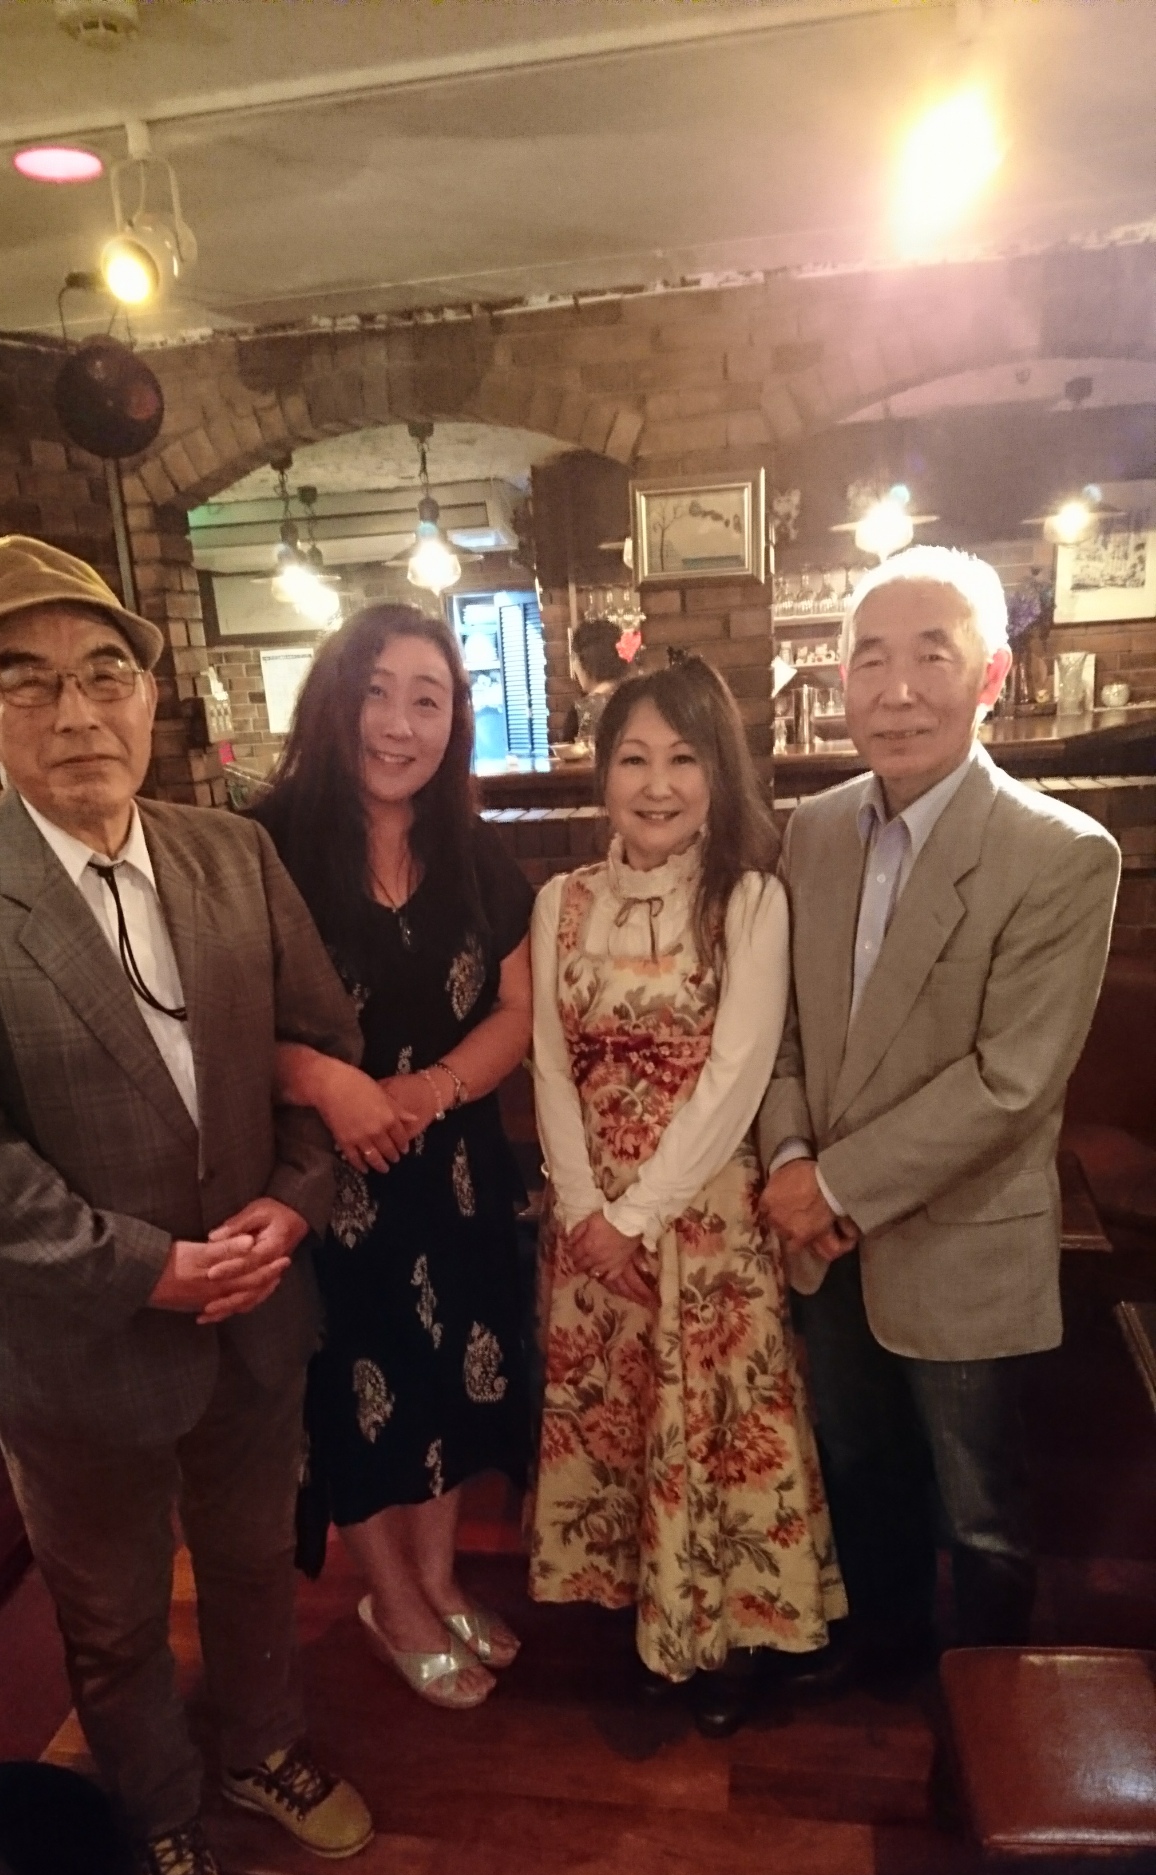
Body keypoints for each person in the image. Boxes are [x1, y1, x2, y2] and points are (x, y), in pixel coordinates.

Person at [0, 537, 372, 1875]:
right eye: (28, 681)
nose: (75, 713)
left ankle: (262, 1746)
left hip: (256, 1308)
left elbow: (318, 1050)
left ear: (149, 692)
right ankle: (160, 1813)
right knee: (112, 1617)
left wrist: (294, 1201)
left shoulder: (232, 851)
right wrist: (147, 1267)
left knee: (252, 1563)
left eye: (104, 673)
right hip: (82, 1341)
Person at [758, 545, 1121, 1678]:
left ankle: (990, 1704)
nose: (899, 689)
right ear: (841, 679)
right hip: (822, 1235)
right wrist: (789, 1157)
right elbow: (783, 1029)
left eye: (932, 656)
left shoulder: (1060, 854)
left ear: (990, 676)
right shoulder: (813, 830)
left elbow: (1011, 1080)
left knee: (980, 1505)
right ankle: (883, 1656)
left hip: (956, 1235)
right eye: (872, 660)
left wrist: (831, 1183)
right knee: (858, 1464)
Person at [528, 656, 845, 1736]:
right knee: (626, 1422)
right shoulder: (559, 901)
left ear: (720, 774)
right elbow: (551, 1065)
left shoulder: (749, 898)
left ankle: (724, 1638)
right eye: (633, 759)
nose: (657, 784)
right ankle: (650, 1622)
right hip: (591, 1224)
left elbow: (738, 1075)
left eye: (683, 758)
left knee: (714, 1424)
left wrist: (633, 1217)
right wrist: (584, 1211)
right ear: (602, 776)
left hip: (703, 1218)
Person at [257, 603, 534, 1710]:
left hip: (455, 1170)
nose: (399, 723)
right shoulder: (261, 847)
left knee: (453, 1376)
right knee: (359, 1390)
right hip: (329, 1181)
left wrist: (432, 1088)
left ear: (455, 721)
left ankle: (439, 1576)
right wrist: (329, 1081)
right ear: (334, 700)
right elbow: (215, 1022)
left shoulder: (471, 848)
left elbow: (517, 1010)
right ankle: (391, 1598)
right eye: (376, 691)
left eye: (429, 699)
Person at [561, 618, 627, 745]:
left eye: (574, 658)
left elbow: (567, 754)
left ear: (582, 661)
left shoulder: (580, 711)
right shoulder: (638, 702)